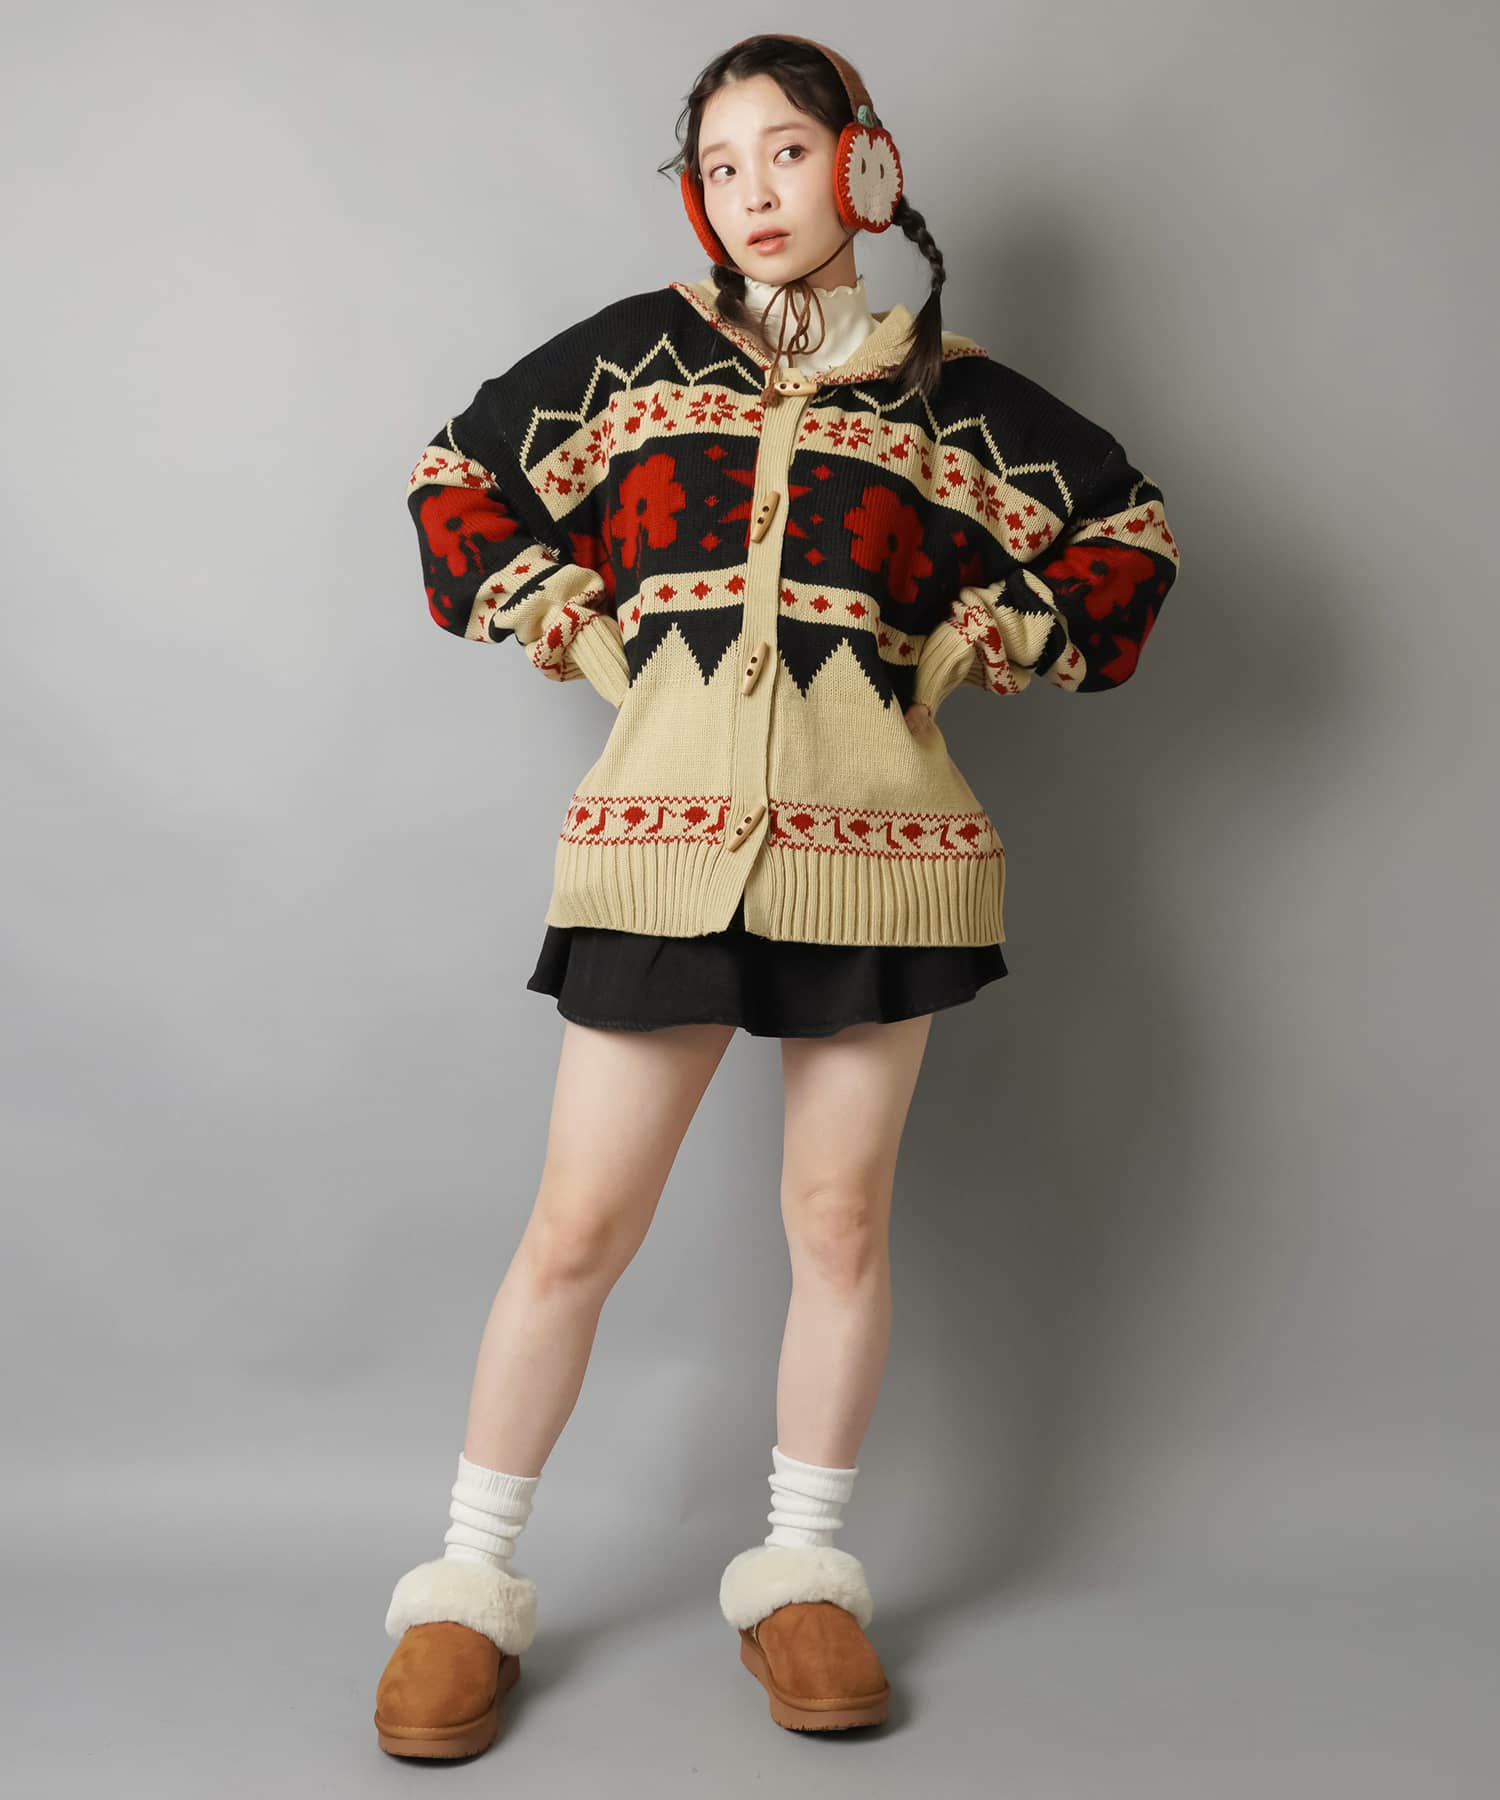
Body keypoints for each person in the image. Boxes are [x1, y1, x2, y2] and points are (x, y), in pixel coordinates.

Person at [374, 32, 1180, 1758]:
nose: (753, 191)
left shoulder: (951, 399)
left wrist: (986, 635)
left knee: (839, 1225)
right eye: (722, 164)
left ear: (864, 169)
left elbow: (1128, 533)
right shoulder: (636, 359)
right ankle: (464, 1588)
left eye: (787, 152)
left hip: (881, 863)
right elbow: (456, 479)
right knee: (576, 1230)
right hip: (657, 846)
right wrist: (560, 612)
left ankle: (802, 1574)